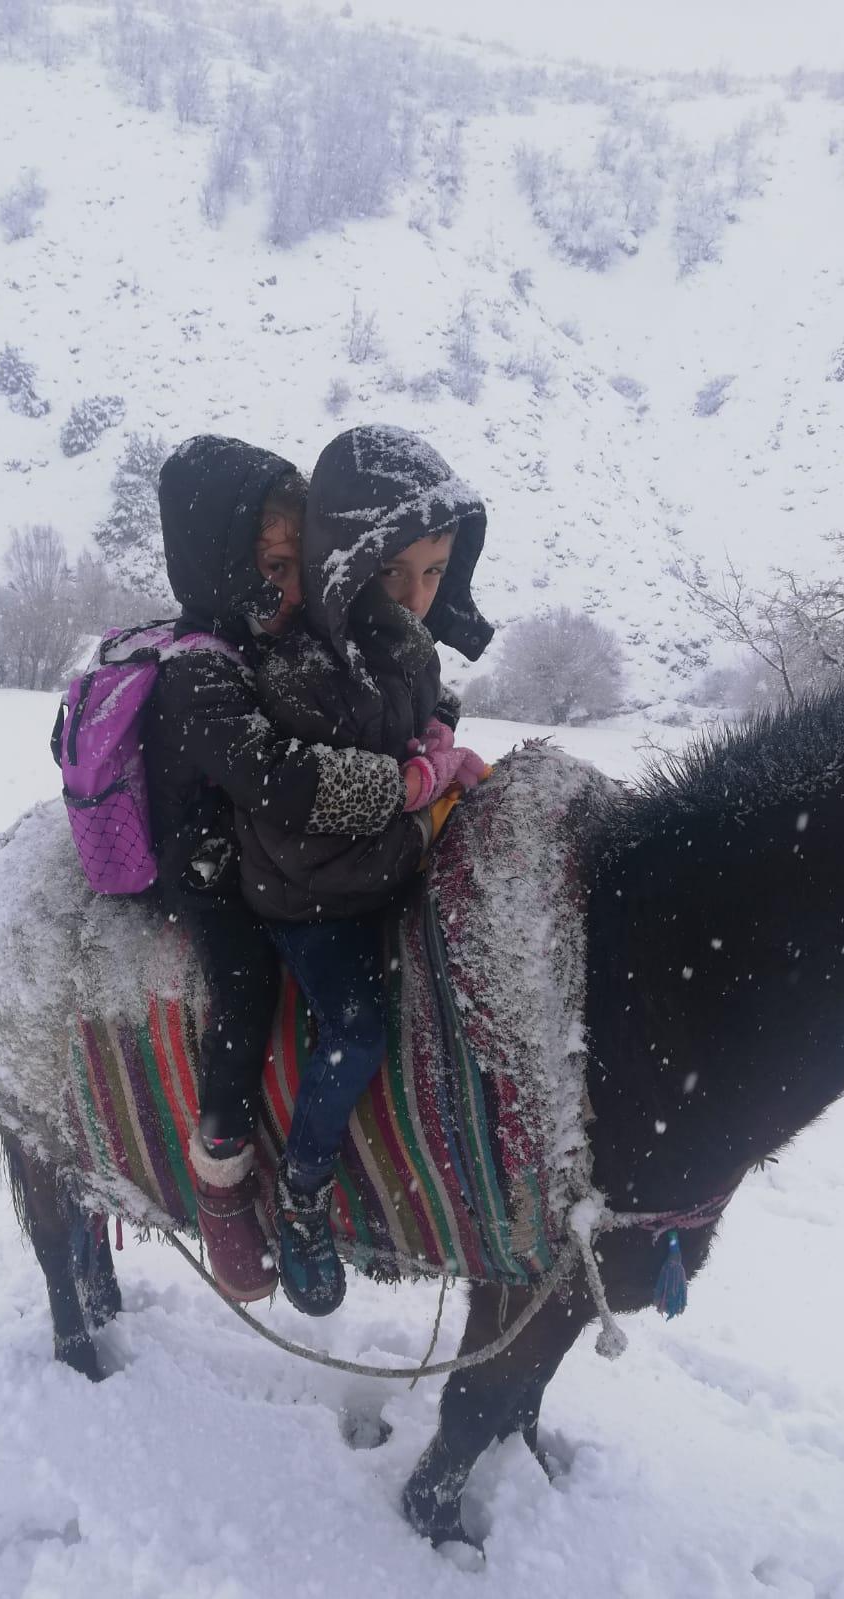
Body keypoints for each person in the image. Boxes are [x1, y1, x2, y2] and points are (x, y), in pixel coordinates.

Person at [145, 434, 443, 1304]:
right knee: (244, 992)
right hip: (210, 864)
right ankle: (224, 1173)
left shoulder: (292, 633)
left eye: (297, 563)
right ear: (215, 564)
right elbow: (284, 780)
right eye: (269, 566)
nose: (288, 588)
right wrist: (407, 783)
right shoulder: (195, 673)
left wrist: (428, 729)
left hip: (286, 861)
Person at [234, 423, 494, 1317]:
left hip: (378, 871)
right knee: (359, 1028)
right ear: (346, 561)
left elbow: (418, 716)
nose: (417, 598)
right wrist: (426, 807)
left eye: (434, 572)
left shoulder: (402, 645)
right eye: (394, 573)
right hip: (311, 898)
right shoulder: (302, 668)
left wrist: (438, 741)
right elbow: (319, 826)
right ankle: (302, 1195)